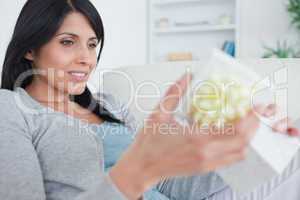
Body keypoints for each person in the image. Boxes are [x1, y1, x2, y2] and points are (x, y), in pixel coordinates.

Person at [0, 0, 299, 199]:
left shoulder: (109, 104)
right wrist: (137, 170)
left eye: (92, 45)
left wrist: (249, 145)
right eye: (67, 42)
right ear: (30, 48)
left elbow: (169, 185)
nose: (86, 59)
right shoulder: (12, 109)